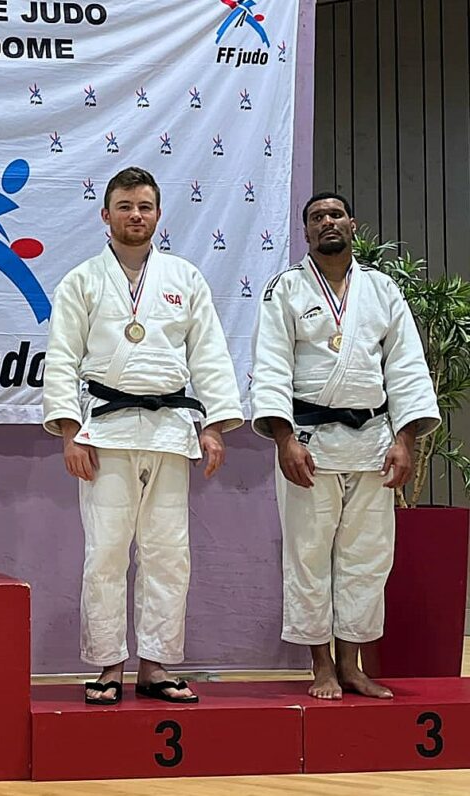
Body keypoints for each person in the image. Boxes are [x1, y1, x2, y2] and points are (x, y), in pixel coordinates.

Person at [43, 166, 243, 704]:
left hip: (171, 431)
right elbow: (61, 359)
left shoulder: (185, 278)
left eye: (145, 207)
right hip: (105, 432)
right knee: (105, 552)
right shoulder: (82, 280)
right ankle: (108, 665)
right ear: (105, 214)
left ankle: (155, 664)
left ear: (158, 215)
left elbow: (208, 355)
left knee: (168, 553)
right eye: (126, 206)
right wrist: (70, 432)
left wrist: (214, 425)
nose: (136, 215)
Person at [251, 192, 440, 699]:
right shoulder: (285, 289)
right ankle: (321, 667)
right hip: (309, 442)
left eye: (335, 214)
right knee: (308, 556)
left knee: (367, 558)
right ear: (306, 232)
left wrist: (405, 439)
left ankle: (351, 665)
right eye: (317, 217)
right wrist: (284, 439)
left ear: (352, 225)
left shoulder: (382, 289)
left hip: (374, 442)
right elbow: (270, 366)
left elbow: (405, 366)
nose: (327, 222)